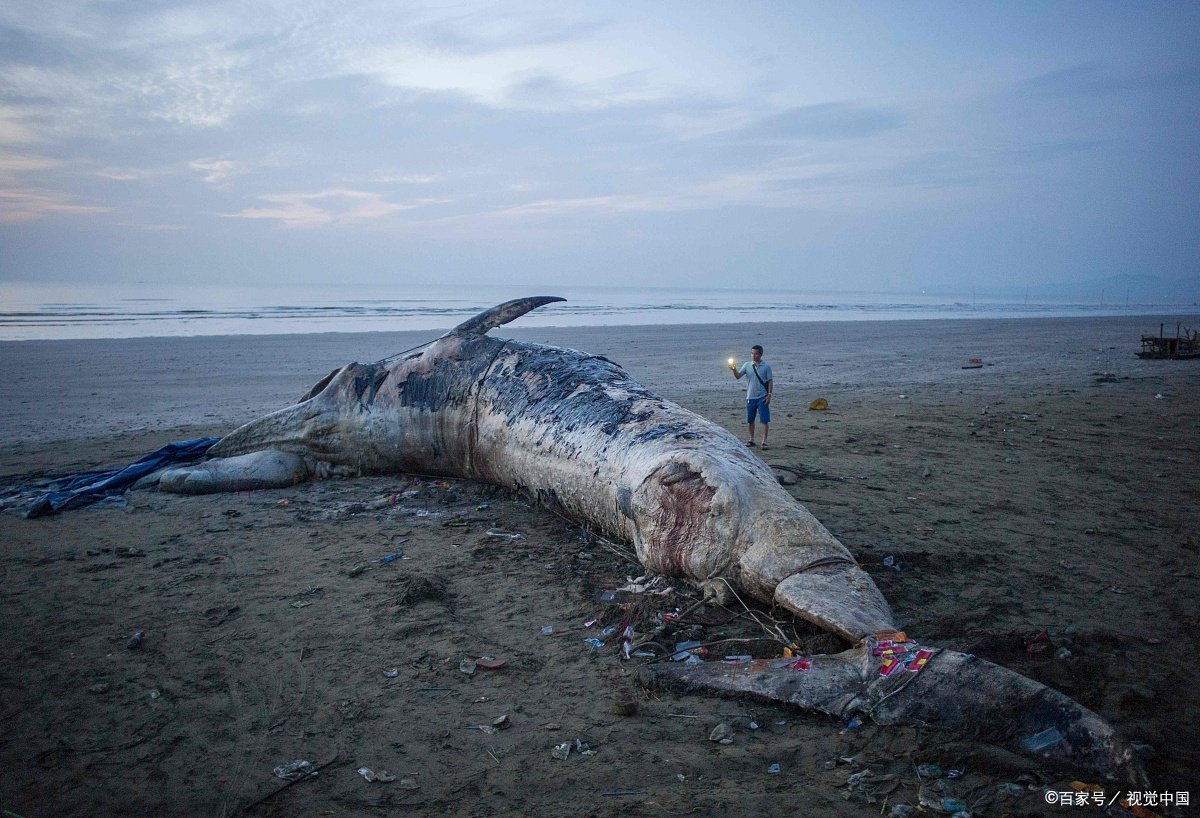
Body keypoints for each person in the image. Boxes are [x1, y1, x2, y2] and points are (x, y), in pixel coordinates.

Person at [729, 344, 773, 449]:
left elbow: (770, 381)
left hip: (762, 396)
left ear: (760, 354)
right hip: (750, 397)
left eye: (756, 353)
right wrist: (734, 370)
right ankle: (751, 439)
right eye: (752, 353)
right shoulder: (747, 365)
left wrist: (769, 395)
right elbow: (738, 376)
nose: (754, 356)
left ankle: (764, 441)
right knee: (750, 420)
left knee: (764, 420)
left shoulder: (766, 367)